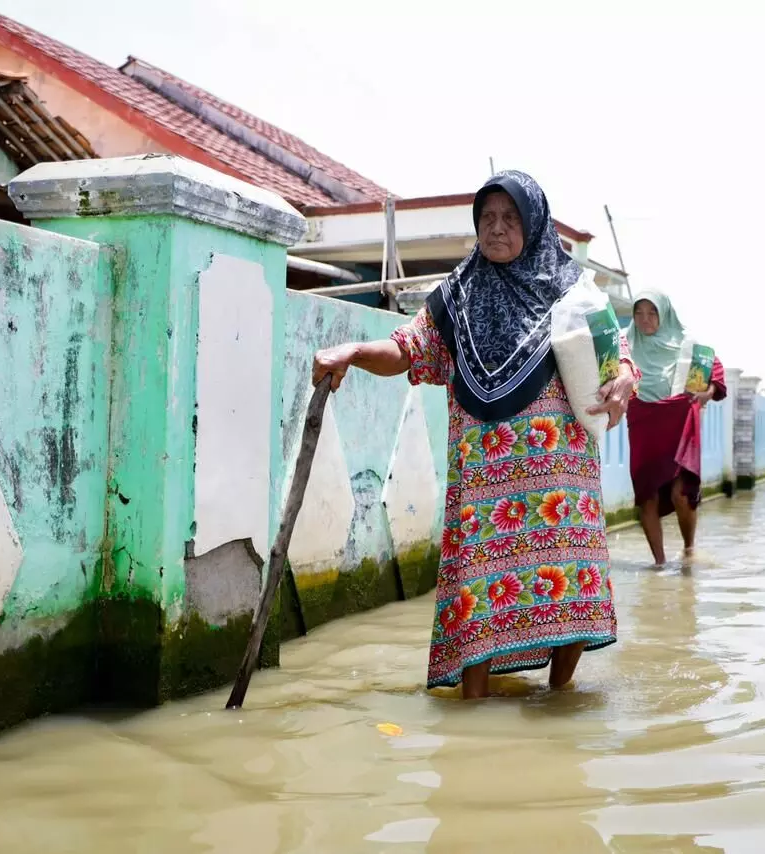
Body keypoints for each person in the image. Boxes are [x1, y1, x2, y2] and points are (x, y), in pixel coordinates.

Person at [311, 171, 638, 699]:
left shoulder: (573, 287)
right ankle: (473, 705)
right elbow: (407, 349)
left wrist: (623, 380)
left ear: (534, 225)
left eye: (510, 218)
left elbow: (615, 355)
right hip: (485, 485)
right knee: (479, 591)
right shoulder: (459, 294)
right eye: (487, 218)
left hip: (563, 479)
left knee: (570, 581)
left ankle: (558, 697)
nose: (497, 229)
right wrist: (351, 352)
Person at [625, 291, 727, 565]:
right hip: (644, 424)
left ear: (665, 314)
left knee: (681, 493)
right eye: (639, 313)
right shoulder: (625, 343)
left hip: (681, 422)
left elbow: (714, 368)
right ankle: (659, 564)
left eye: (652, 313)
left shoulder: (686, 343)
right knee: (647, 496)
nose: (645, 319)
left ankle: (689, 549)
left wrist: (708, 391)